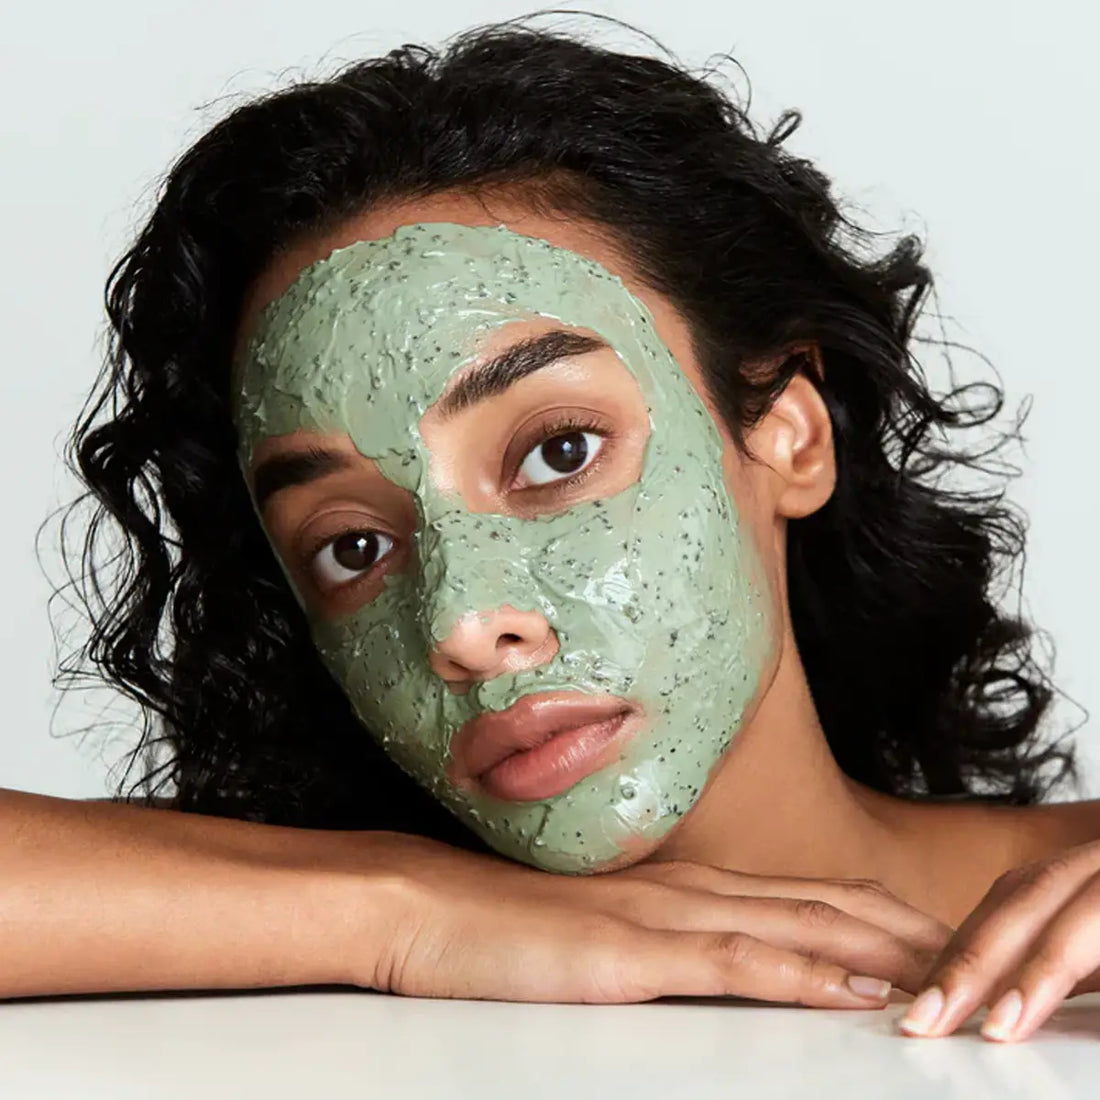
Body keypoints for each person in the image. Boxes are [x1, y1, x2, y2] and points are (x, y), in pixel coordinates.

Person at [4, 19, 1098, 1044]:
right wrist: (401, 912)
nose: (464, 622)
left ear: (788, 436)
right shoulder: (299, 971)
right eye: (351, 545)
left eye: (558, 451)